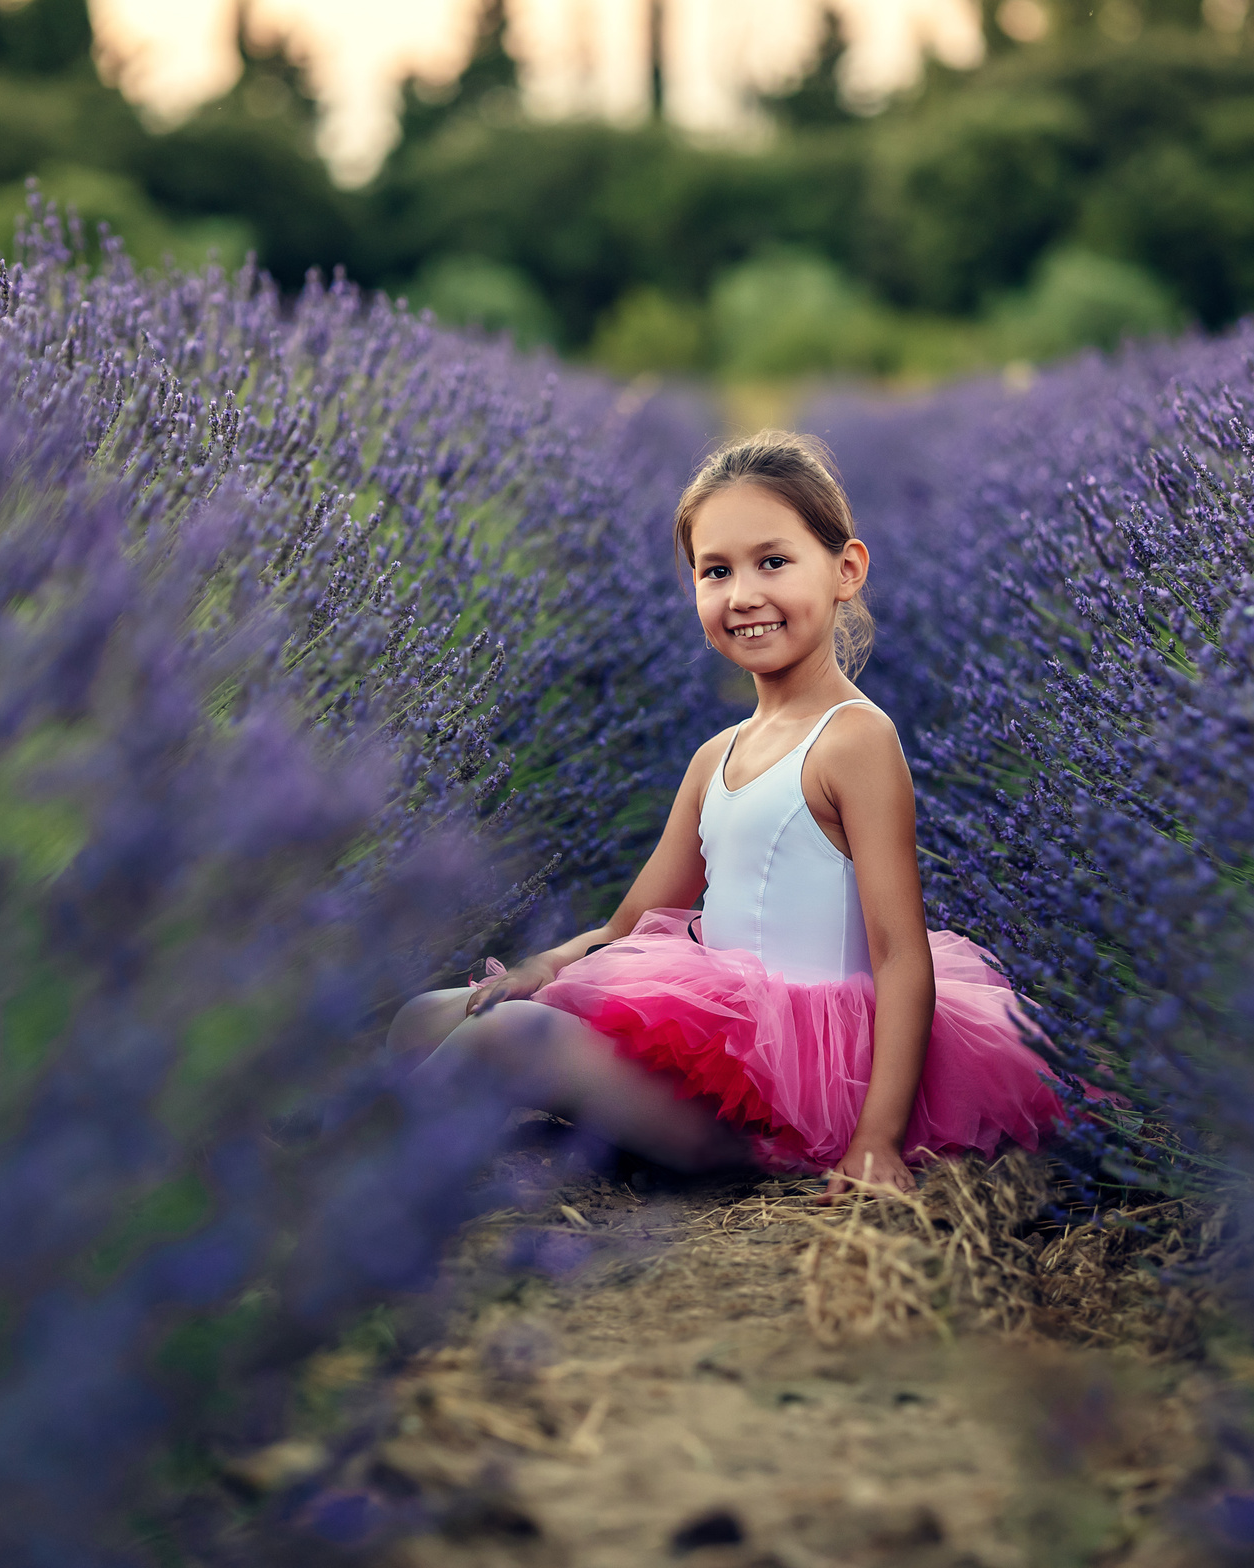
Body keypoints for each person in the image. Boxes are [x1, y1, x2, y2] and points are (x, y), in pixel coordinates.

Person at [389, 431, 1060, 1196]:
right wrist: (544, 967)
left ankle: (355, 1186)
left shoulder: (855, 739)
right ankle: (444, 1133)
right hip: (717, 1044)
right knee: (427, 1015)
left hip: (794, 1091)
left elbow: (900, 954)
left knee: (516, 1035)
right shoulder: (717, 755)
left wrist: (876, 1137)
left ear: (845, 571)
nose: (743, 593)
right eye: (716, 570)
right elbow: (631, 923)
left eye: (773, 561)